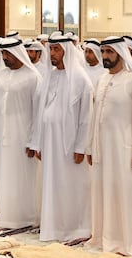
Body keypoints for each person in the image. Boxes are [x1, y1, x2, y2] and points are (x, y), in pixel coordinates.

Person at [87, 37, 132, 257]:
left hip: (124, 148)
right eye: (103, 51)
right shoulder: (102, 79)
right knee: (104, 190)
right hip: (102, 149)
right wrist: (90, 146)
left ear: (120, 54)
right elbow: (94, 116)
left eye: (109, 52)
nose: (105, 56)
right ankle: (105, 238)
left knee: (125, 192)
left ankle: (129, 241)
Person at [37, 33, 93, 242]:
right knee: (52, 183)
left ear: (66, 51)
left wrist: (81, 147)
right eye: (51, 49)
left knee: (72, 185)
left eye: (57, 49)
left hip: (69, 144)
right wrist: (40, 142)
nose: (52, 53)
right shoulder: (50, 75)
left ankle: (76, 228)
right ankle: (54, 227)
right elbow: (42, 110)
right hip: (50, 141)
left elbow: (86, 117)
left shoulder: (80, 78)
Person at [0, 37, 42, 229]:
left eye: (8, 54)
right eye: (3, 54)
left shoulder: (33, 77)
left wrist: (34, 141)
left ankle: (25, 217)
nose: (5, 57)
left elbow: (38, 112)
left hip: (22, 137)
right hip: (2, 135)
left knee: (23, 177)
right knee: (4, 174)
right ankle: (7, 215)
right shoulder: (2, 75)